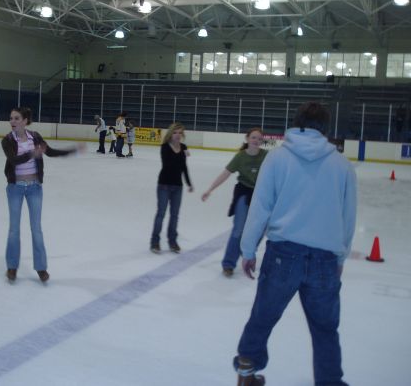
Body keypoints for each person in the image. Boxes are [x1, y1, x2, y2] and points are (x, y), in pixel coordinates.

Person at [233, 102, 357, 386]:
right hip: (324, 260)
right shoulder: (342, 165)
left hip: (282, 256)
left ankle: (247, 372)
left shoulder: (277, 159)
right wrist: (341, 258)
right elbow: (348, 217)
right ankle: (329, 382)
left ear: (296, 122)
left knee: (263, 317)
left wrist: (248, 250)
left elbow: (260, 207)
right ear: (325, 128)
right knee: (325, 329)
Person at [1, 107, 83, 283]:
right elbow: (13, 160)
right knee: (14, 229)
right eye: (11, 118)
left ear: (25, 120)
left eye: (16, 118)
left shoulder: (35, 137)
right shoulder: (7, 140)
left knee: (36, 229)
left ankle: (41, 267)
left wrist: (73, 150)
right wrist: (32, 153)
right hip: (15, 188)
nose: (12, 121)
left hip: (34, 188)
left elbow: (51, 152)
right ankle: (12, 267)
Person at [201, 128, 267, 277]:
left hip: (261, 196)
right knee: (238, 230)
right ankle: (228, 264)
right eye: (253, 138)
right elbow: (225, 174)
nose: (256, 141)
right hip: (243, 193)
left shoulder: (266, 156)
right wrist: (210, 189)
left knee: (261, 229)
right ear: (247, 139)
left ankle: (247, 252)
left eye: (259, 139)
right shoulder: (240, 157)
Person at [150, 122, 194, 254]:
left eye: (180, 133)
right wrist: (180, 153)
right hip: (164, 184)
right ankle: (155, 241)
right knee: (161, 214)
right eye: (175, 132)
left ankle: (172, 241)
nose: (178, 135)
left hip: (178, 186)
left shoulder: (184, 147)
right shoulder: (165, 147)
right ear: (170, 134)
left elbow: (183, 167)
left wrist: (189, 183)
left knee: (175, 215)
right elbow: (168, 165)